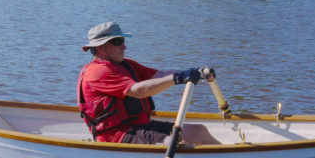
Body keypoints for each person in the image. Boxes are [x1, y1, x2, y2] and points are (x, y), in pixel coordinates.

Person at [77, 21, 220, 145]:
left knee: (199, 131)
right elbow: (139, 91)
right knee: (177, 142)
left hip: (141, 126)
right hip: (118, 135)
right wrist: (178, 78)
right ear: (100, 47)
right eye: (117, 42)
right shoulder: (98, 72)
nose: (124, 47)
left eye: (123, 41)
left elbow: (158, 75)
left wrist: (193, 72)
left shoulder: (126, 64)